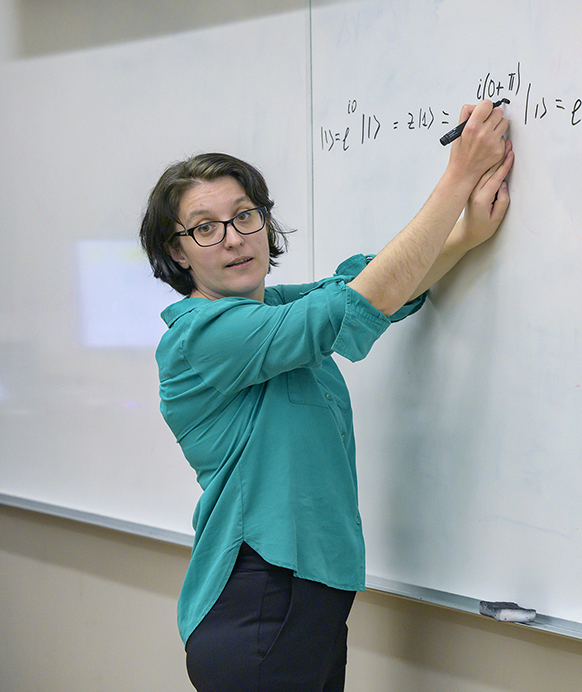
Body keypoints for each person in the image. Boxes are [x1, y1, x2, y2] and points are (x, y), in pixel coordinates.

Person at [137, 100, 513, 692]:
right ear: (179, 252)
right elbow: (354, 305)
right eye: (205, 228)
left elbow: (370, 284)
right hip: (260, 598)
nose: (234, 239)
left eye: (245, 216)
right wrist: (457, 178)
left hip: (307, 599)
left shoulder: (274, 309)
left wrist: (464, 236)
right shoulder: (201, 336)